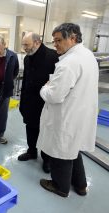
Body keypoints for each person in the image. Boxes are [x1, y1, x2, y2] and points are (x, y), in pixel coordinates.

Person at [38, 23, 98, 197]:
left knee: (61, 151)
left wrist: (44, 88)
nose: (55, 44)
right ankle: (80, 185)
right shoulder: (87, 55)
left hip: (67, 116)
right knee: (74, 149)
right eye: (54, 40)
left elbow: (55, 95)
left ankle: (60, 186)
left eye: (58, 40)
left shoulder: (69, 62)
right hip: (80, 112)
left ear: (72, 38)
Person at [18, 32, 59, 173]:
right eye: (23, 44)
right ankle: (31, 151)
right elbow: (25, 81)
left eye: (27, 44)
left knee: (46, 131)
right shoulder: (27, 59)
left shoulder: (53, 57)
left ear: (37, 42)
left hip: (45, 102)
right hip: (29, 101)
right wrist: (22, 103)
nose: (24, 48)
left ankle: (47, 159)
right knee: (31, 127)